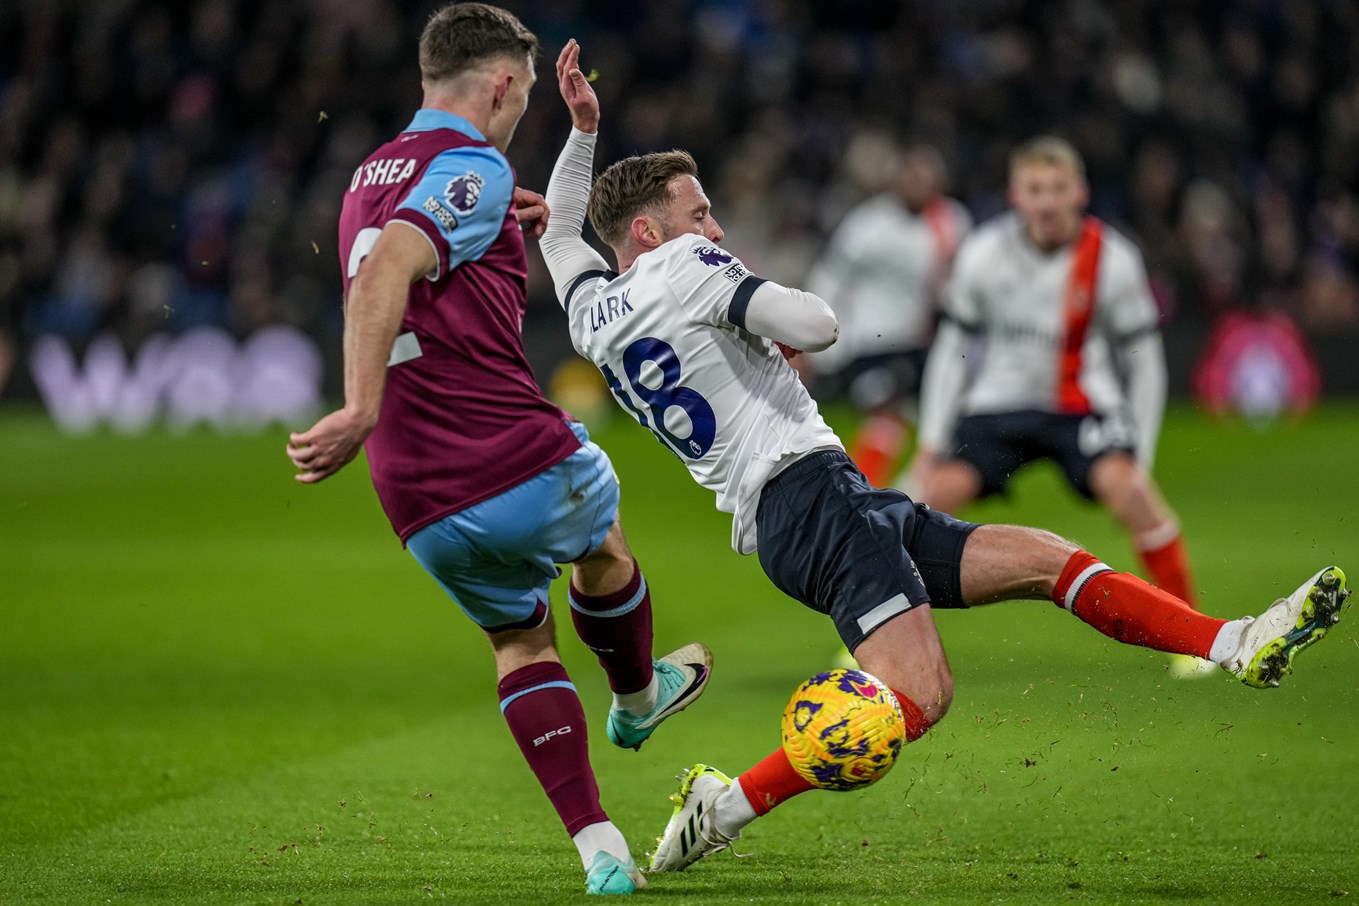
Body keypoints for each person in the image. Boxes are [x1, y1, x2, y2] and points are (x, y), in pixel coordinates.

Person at [537, 41, 1351, 874]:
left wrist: (581, 132)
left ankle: (1234, 641)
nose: (714, 227)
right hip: (810, 497)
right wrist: (747, 298)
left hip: (811, 506)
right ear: (650, 230)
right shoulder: (686, 265)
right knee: (919, 695)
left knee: (1044, 558)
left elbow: (563, 233)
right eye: (699, 211)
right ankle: (728, 805)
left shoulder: (591, 314)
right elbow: (817, 326)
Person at [284, 7, 711, 895]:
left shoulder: (370, 172)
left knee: (518, 638)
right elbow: (388, 268)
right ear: (503, 85)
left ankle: (599, 850)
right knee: (604, 534)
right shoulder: (472, 163)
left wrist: (490, 236)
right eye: (519, 102)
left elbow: (400, 253)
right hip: (508, 451)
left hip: (413, 493)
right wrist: (357, 404)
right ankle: (637, 700)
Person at [904, 136, 1209, 677]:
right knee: (922, 501)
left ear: (1081, 193)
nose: (1046, 201)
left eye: (1058, 189)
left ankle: (1191, 634)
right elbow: (952, 351)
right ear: (1015, 196)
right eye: (1034, 189)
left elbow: (1143, 358)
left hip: (1080, 407)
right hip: (998, 406)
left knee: (1132, 491)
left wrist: (1139, 444)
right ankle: (885, 634)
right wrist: (930, 444)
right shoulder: (983, 252)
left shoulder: (1112, 257)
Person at [803, 143, 971, 487]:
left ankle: (907, 493)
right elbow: (830, 278)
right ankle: (855, 492)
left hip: (923, 343)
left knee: (943, 421)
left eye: (925, 178)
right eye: (910, 177)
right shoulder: (868, 226)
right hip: (871, 342)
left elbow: (958, 283)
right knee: (887, 413)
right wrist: (811, 337)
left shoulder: (951, 221)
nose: (916, 185)